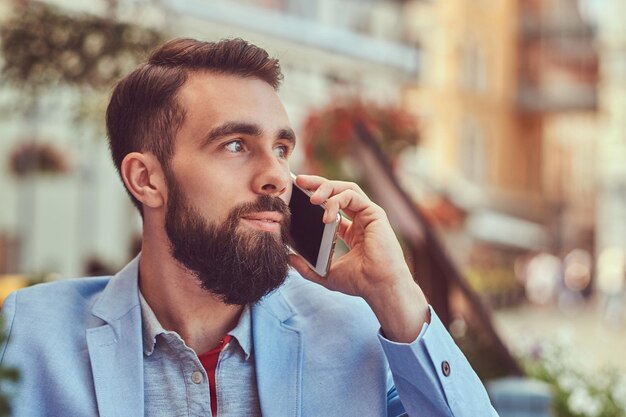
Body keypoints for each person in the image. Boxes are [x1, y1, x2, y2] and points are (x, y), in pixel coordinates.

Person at [0, 38, 499, 417]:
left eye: (282, 149)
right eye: (236, 144)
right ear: (146, 178)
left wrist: (397, 296)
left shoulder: (356, 333)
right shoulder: (30, 334)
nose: (278, 176)